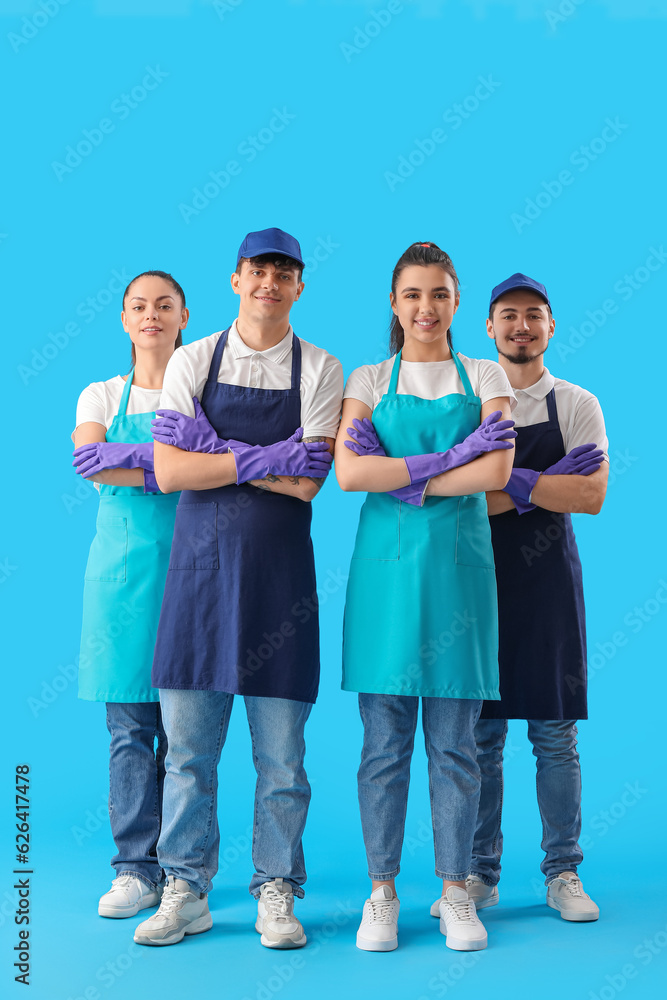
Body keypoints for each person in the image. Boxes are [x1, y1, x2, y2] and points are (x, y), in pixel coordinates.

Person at [132, 228, 343, 949]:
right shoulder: (193, 357)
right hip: (197, 580)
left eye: (283, 273)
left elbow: (308, 483)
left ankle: (275, 890)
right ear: (235, 278)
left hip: (280, 582)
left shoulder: (320, 368)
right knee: (188, 756)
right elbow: (168, 472)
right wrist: (265, 457)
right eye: (258, 270)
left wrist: (214, 452)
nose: (268, 284)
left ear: (299, 286)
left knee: (281, 761)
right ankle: (184, 887)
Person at [335, 241, 516, 953]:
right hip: (384, 578)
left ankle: (453, 892)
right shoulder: (370, 376)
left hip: (458, 576)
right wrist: (449, 461)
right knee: (383, 746)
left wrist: (408, 477)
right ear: (393, 302)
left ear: (456, 301)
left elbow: (496, 468)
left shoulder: (483, 371)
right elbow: (349, 473)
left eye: (438, 293)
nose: (424, 307)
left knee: (456, 747)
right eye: (411, 293)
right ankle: (381, 893)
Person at [463, 273, 608, 922]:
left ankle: (562, 873)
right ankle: (478, 874)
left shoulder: (578, 403)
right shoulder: (468, 403)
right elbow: (460, 498)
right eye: (508, 316)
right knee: (479, 736)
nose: (520, 325)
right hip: (474, 585)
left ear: (551, 327)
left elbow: (590, 496)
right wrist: (539, 481)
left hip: (549, 587)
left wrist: (503, 481)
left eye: (533, 315)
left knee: (554, 736)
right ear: (488, 329)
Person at [72, 270, 188, 918]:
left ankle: (180, 872)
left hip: (193, 575)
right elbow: (89, 459)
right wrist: (170, 462)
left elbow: (212, 466)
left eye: (163, 305)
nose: (150, 315)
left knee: (185, 735)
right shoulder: (101, 392)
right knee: (128, 731)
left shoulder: (199, 393)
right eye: (139, 306)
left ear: (183, 316)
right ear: (124, 319)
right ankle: (133, 869)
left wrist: (131, 459)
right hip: (119, 583)